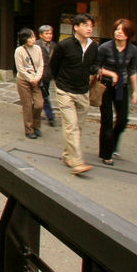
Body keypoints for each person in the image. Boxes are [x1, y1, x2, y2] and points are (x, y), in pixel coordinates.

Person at [48, 13, 98, 175]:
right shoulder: (64, 45)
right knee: (71, 126)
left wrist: (96, 70)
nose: (89, 28)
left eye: (91, 26)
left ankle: (68, 155)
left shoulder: (94, 46)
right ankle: (77, 163)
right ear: (76, 27)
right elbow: (54, 65)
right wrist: (59, 82)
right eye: (86, 25)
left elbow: (93, 65)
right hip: (65, 90)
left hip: (83, 91)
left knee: (78, 127)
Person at [96, 18, 137, 165]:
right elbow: (95, 67)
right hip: (106, 86)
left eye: (122, 30)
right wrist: (111, 74)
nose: (118, 32)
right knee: (107, 120)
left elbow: (132, 70)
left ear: (129, 33)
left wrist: (135, 91)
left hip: (122, 86)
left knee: (122, 120)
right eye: (116, 29)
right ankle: (106, 154)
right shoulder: (105, 47)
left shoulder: (133, 50)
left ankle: (112, 143)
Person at [14, 27, 45, 139]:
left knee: (39, 104)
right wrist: (30, 78)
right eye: (30, 37)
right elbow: (20, 68)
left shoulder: (37, 48)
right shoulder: (19, 51)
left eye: (34, 36)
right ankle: (29, 129)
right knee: (27, 106)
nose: (33, 39)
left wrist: (37, 77)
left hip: (36, 80)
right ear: (24, 39)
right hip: (23, 80)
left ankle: (36, 126)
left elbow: (41, 64)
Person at [36, 25, 57, 128]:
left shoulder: (53, 45)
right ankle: (50, 117)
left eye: (50, 33)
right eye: (46, 34)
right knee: (44, 96)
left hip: (48, 75)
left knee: (42, 95)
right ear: (41, 35)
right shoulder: (36, 45)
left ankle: (36, 112)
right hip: (38, 75)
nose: (49, 36)